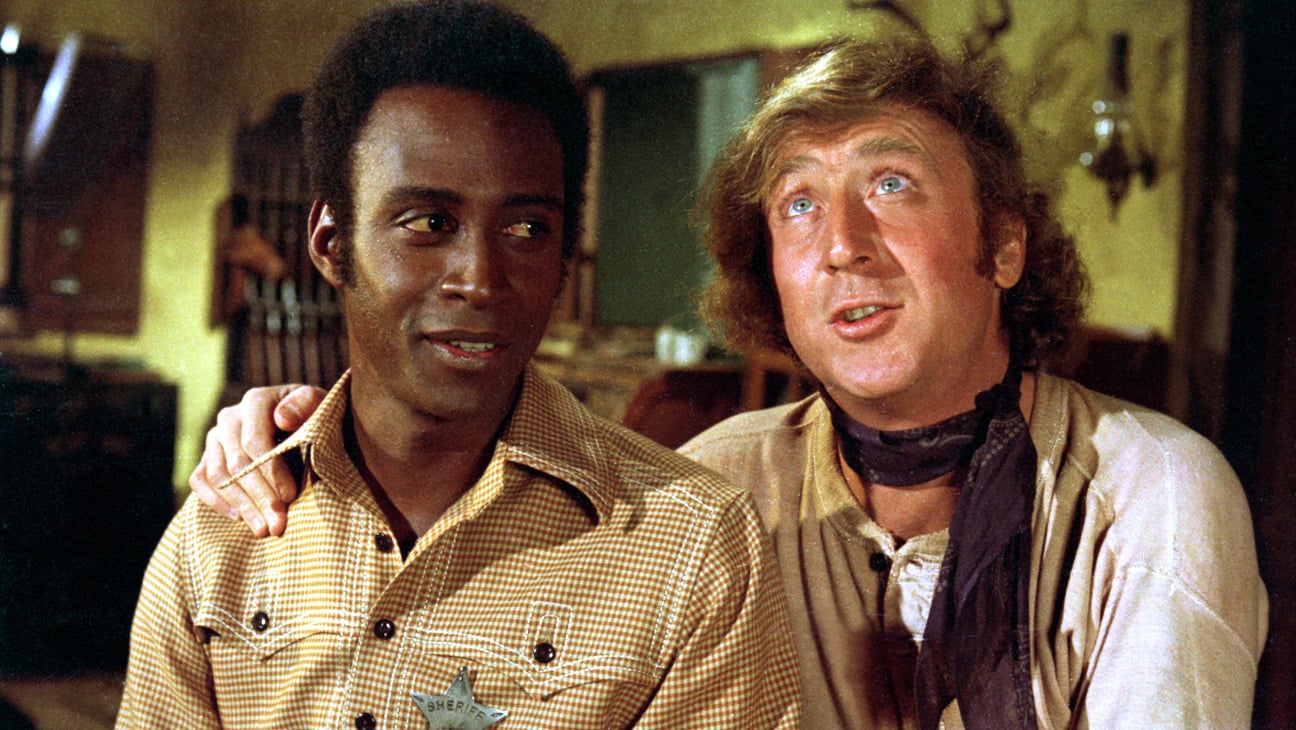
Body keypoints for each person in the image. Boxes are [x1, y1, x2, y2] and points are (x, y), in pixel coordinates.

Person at [192, 38, 1269, 729]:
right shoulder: (712, 484)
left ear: (1003, 243)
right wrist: (309, 442)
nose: (841, 243)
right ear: (771, 275)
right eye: (798, 204)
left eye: (892, 183)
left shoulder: (1153, 496)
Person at [119, 3, 800, 728]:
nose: (479, 278)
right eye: (428, 223)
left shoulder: (689, 547)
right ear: (331, 243)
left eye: (526, 228)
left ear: (564, 256)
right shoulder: (222, 531)